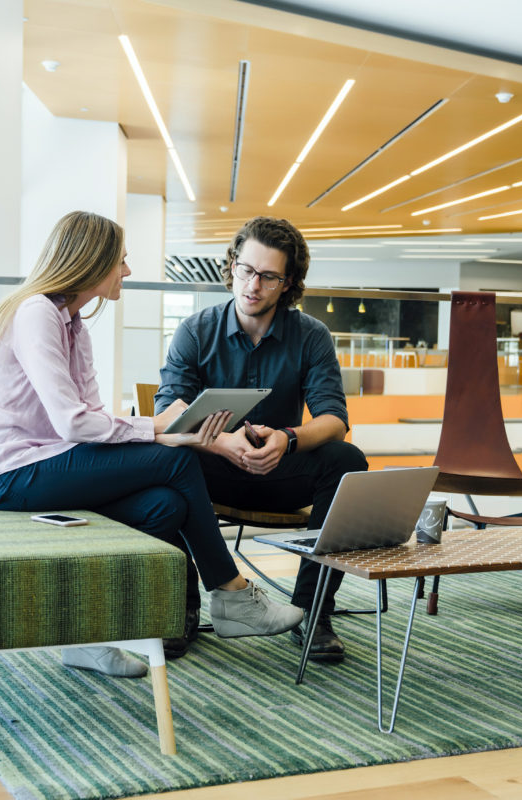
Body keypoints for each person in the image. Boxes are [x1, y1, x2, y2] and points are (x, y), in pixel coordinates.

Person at [0, 210, 303, 677]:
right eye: (120, 261)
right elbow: (72, 423)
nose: (126, 271)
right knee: (177, 460)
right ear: (91, 261)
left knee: (165, 505)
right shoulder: (36, 313)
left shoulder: (73, 324)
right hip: (8, 476)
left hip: (51, 463)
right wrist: (163, 431)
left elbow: (93, 416)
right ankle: (230, 593)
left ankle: (94, 634)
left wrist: (160, 426)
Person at [155, 216, 368, 663]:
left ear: (288, 284)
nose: (253, 285)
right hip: (209, 472)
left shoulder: (311, 335)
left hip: (279, 470)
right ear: (232, 264)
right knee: (164, 462)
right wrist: (220, 442)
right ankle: (180, 608)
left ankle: (313, 611)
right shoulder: (195, 331)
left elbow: (333, 419)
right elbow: (167, 415)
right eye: (246, 270)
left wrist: (288, 439)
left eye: (269, 277)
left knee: (347, 459)